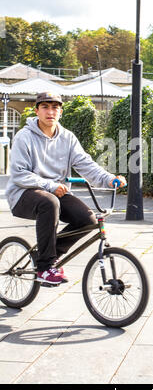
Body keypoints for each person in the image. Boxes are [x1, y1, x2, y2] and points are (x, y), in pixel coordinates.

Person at [5, 92, 126, 286]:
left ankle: (47, 256)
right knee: (49, 201)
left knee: (88, 220)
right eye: (45, 107)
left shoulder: (68, 138)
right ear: (37, 111)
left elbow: (86, 164)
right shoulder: (24, 137)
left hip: (56, 192)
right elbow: (19, 174)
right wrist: (50, 185)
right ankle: (44, 268)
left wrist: (109, 179)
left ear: (60, 111)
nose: (50, 112)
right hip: (23, 193)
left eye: (55, 108)